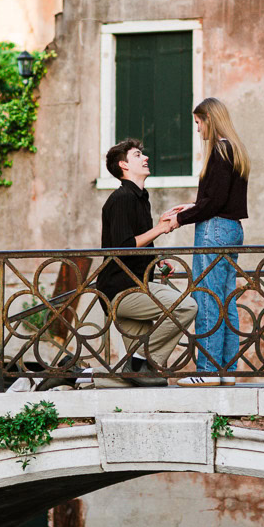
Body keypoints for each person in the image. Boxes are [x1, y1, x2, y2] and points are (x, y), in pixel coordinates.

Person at [94, 139, 194, 385]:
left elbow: (135, 241)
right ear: (124, 165)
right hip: (122, 290)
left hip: (136, 284)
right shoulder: (121, 199)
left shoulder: (139, 198)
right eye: (138, 154)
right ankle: (139, 359)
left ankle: (77, 376)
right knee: (186, 306)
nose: (145, 157)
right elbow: (122, 247)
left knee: (144, 380)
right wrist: (160, 229)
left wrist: (156, 261)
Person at [168, 97, 251, 383]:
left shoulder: (219, 150)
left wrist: (179, 220)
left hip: (214, 229)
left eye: (198, 122)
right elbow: (220, 198)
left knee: (207, 297)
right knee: (226, 298)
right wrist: (192, 206)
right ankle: (226, 370)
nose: (197, 129)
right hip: (231, 230)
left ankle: (208, 371)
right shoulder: (234, 150)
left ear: (208, 119)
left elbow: (214, 202)